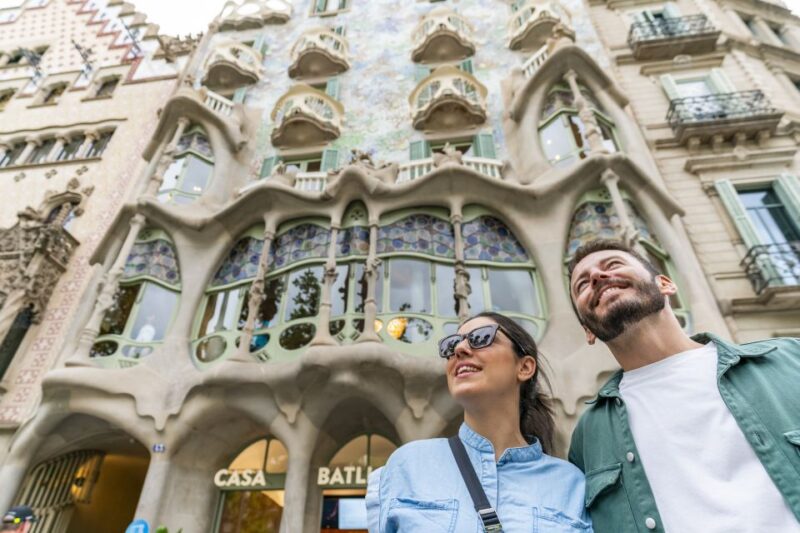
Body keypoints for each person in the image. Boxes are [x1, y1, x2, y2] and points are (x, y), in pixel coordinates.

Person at [566, 239, 800, 533]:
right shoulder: (588, 438)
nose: (597, 277)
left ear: (665, 284)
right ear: (588, 331)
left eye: (612, 265)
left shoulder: (791, 360)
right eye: (582, 284)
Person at [366, 312, 591, 532]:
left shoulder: (572, 485)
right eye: (450, 345)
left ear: (524, 367)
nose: (459, 349)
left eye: (481, 337)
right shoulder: (407, 465)